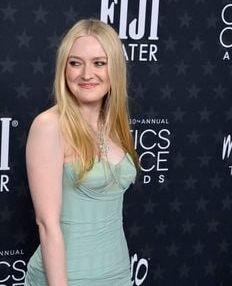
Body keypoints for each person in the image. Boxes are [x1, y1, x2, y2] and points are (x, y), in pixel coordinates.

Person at [24, 18, 140, 286]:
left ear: (115, 69)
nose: (87, 74)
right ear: (64, 69)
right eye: (75, 63)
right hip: (67, 278)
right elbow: (47, 224)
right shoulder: (49, 126)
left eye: (99, 63)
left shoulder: (116, 125)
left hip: (118, 274)